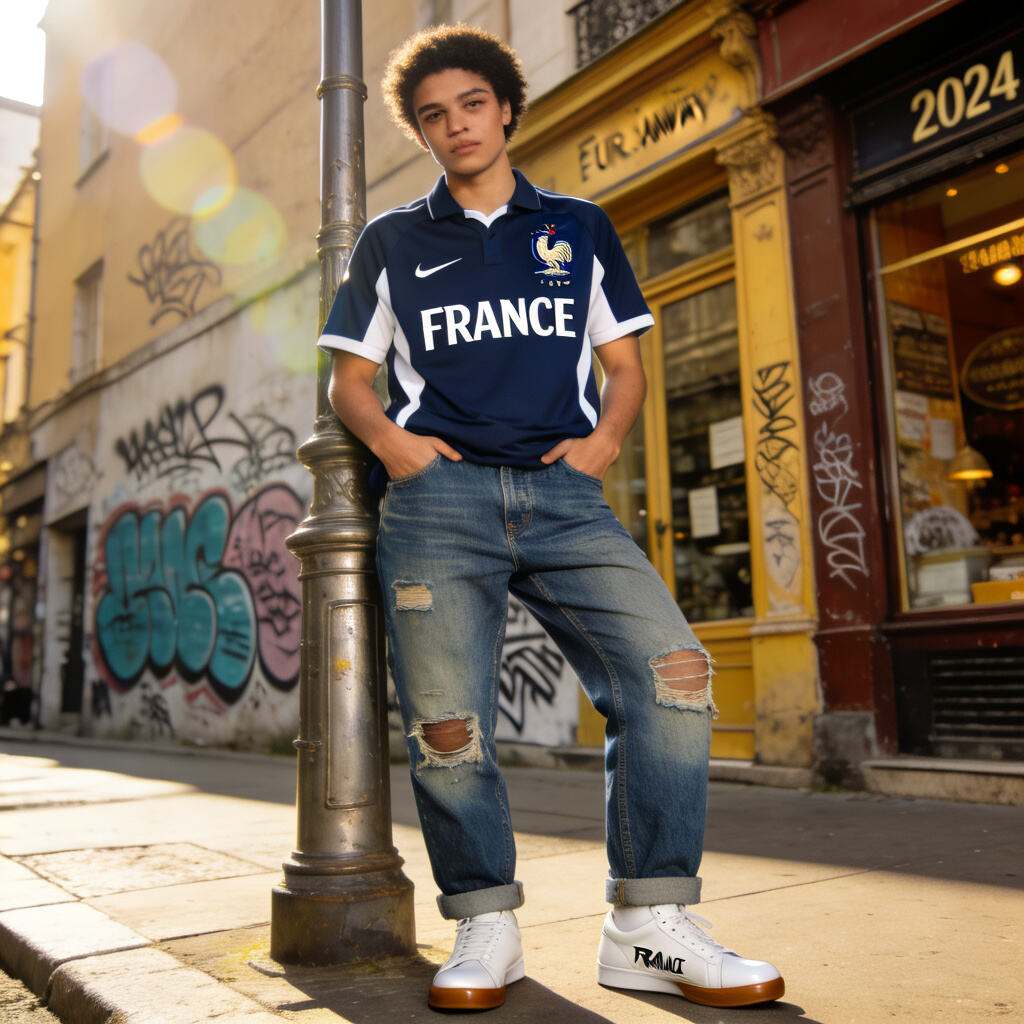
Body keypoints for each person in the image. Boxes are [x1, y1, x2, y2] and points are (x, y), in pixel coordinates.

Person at [319, 23, 784, 1013]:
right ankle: (484, 920)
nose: (456, 126)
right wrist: (399, 450)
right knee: (449, 726)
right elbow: (349, 382)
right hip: (437, 504)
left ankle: (646, 927)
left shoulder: (577, 226)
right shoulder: (391, 240)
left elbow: (625, 365)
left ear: (506, 109)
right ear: (423, 133)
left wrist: (606, 441)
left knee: (672, 676)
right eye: (434, 116)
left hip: (564, 493)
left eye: (471, 105)